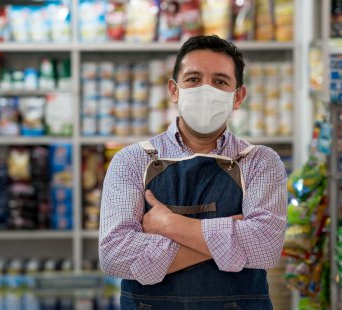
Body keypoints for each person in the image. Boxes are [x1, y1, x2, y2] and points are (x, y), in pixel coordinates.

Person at [99, 35, 287, 310]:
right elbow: (114, 254)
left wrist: (171, 226)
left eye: (220, 81)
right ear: (174, 90)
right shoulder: (132, 160)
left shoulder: (260, 161)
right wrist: (229, 242)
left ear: (238, 97)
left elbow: (266, 248)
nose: (206, 90)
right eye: (193, 79)